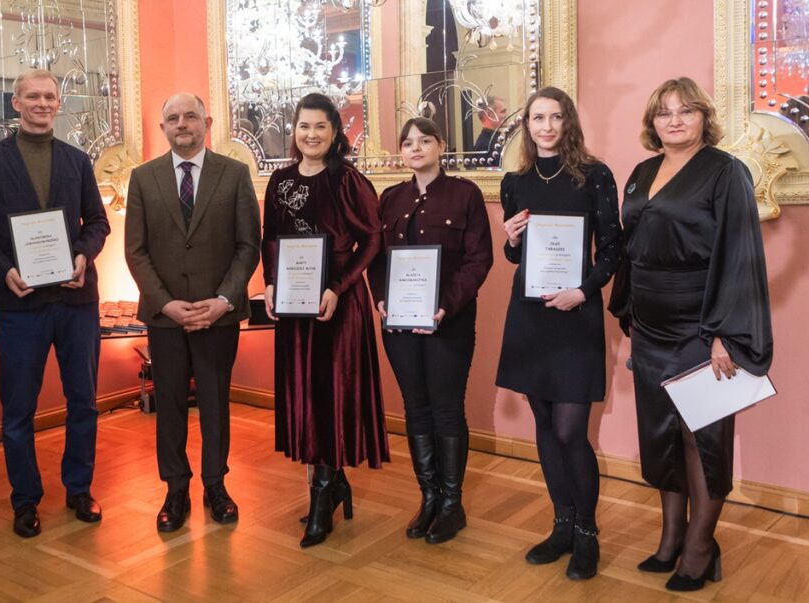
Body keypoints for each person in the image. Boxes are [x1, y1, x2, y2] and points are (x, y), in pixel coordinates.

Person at [609, 77, 772, 592]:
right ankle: (670, 538)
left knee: (702, 440)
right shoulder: (641, 172)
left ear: (704, 117)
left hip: (701, 328)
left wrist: (725, 332)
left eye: (686, 110)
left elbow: (741, 253)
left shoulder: (726, 172)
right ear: (652, 122)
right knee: (662, 437)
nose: (674, 120)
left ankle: (701, 548)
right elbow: (632, 244)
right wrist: (628, 305)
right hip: (651, 327)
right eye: (664, 112)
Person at [0, 69, 111, 538]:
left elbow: (98, 222)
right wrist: (4, 268)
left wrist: (85, 254)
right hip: (19, 302)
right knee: (18, 410)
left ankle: (79, 488)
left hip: (75, 300)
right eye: (33, 96)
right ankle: (25, 500)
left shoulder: (77, 159)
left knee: (83, 401)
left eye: (49, 96)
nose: (42, 103)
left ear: (58, 102)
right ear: (16, 103)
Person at [495, 87, 622, 580]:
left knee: (571, 430)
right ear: (526, 125)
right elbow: (516, 256)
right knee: (544, 427)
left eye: (555, 117)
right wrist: (509, 240)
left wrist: (584, 291)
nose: (546, 126)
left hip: (575, 310)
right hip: (530, 315)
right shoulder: (515, 180)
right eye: (536, 118)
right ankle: (562, 525)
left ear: (568, 121)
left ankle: (588, 532)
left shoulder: (595, 175)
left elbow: (612, 248)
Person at [125, 92, 261, 532]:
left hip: (217, 315)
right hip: (166, 317)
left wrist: (222, 300)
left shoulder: (236, 174)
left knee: (216, 403)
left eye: (189, 116)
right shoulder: (143, 178)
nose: (181, 124)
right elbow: (137, 251)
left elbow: (248, 247)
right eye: (172, 118)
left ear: (207, 121)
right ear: (162, 127)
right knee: (168, 405)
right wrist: (166, 303)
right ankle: (176, 489)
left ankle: (216, 486)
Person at [261, 92, 389, 548]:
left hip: (336, 304)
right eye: (303, 126)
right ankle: (328, 483)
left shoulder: (349, 181)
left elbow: (373, 240)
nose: (311, 134)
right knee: (305, 394)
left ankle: (323, 493)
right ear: (293, 132)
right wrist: (270, 283)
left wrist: (340, 286)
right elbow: (270, 240)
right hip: (295, 305)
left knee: (330, 395)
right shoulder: (278, 181)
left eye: (320, 126)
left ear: (335, 132)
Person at [368, 117, 493, 544]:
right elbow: (376, 259)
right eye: (408, 143)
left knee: (446, 408)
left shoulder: (465, 194)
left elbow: (480, 260)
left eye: (424, 140)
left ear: (440, 145)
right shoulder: (390, 198)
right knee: (415, 407)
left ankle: (452, 505)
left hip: (448, 323)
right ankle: (429, 498)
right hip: (398, 324)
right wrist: (380, 298)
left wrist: (444, 306)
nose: (416, 148)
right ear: (401, 152)